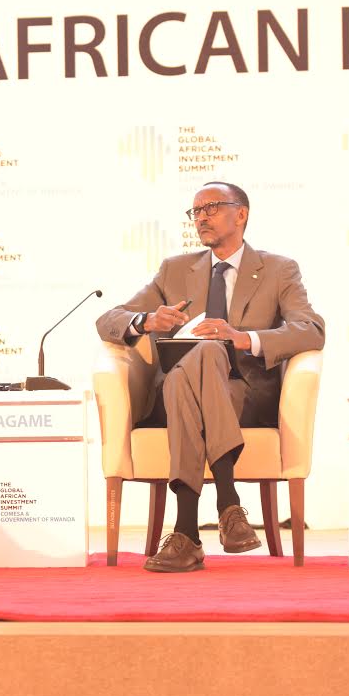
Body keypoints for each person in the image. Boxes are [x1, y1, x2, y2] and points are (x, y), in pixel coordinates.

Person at [95, 181, 324, 573]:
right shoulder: (176, 269)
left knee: (204, 356)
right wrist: (147, 320)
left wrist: (242, 338)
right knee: (193, 365)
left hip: (245, 395)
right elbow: (108, 319)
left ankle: (186, 532)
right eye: (195, 211)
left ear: (241, 214)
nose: (201, 216)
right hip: (181, 393)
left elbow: (311, 329)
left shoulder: (278, 269)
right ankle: (227, 503)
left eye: (212, 207)